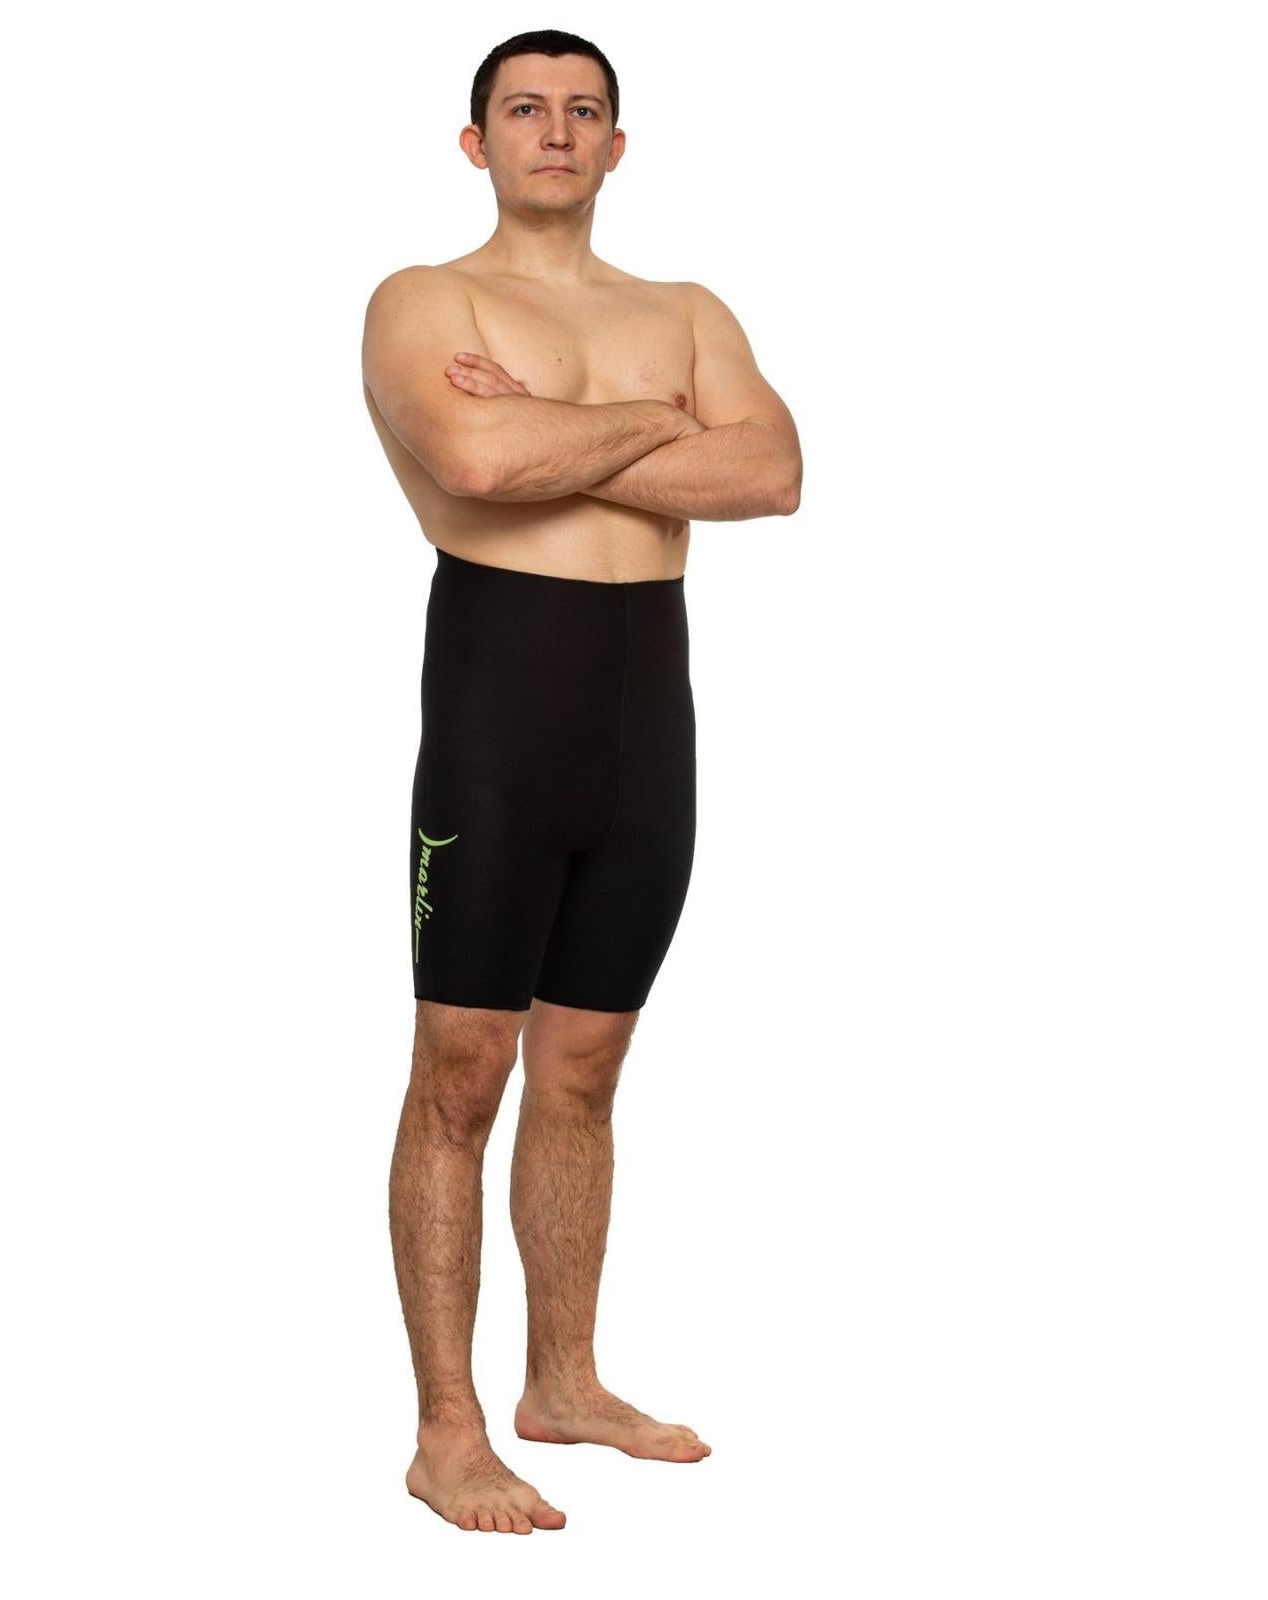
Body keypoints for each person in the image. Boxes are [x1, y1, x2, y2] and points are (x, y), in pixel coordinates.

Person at [360, 29, 802, 1535]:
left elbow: (772, 474)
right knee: (461, 1070)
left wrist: (561, 434)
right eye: (525, 108)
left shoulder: (688, 309)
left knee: (588, 1070)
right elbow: (477, 466)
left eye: (584, 111)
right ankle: (448, 1429)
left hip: (645, 725)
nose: (556, 130)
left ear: (618, 145)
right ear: (476, 141)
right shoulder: (426, 301)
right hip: (501, 711)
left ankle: (565, 1381)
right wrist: (668, 428)